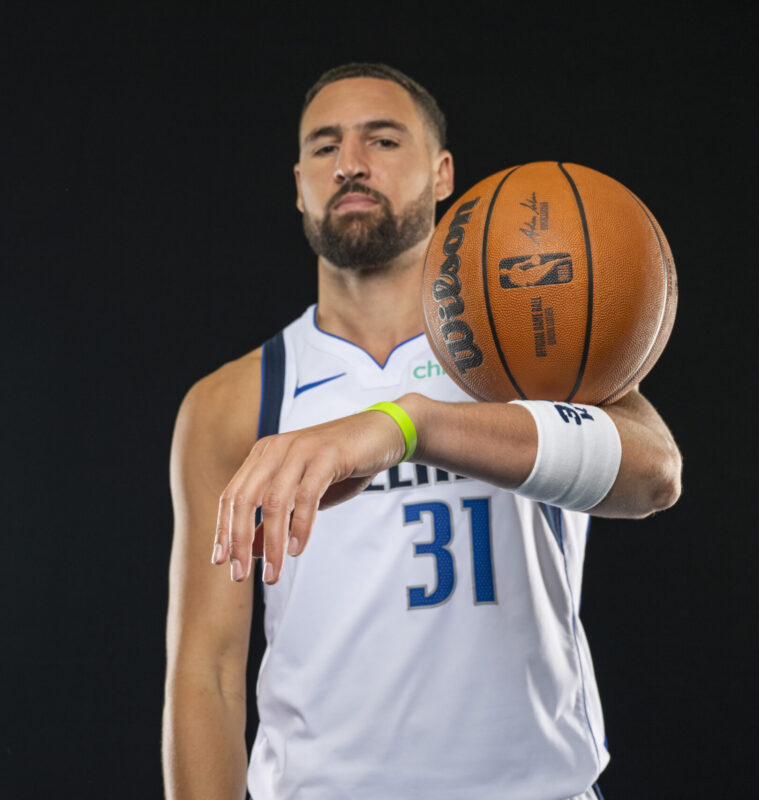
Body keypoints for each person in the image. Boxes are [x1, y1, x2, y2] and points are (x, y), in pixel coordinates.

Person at [162, 63, 682, 800]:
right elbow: (207, 673)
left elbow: (655, 475)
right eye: (324, 146)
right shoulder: (235, 399)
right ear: (299, 182)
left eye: (382, 139)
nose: (350, 163)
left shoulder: (531, 343)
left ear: (443, 175)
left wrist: (405, 424)